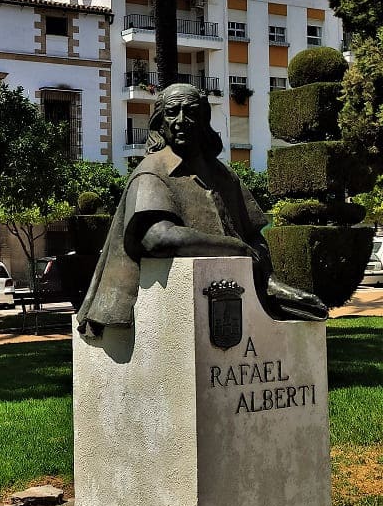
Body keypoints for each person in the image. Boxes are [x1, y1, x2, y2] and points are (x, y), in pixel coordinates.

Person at [77, 83, 327, 336]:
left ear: (204, 118)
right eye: (172, 112)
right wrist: (236, 248)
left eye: (191, 112)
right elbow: (157, 237)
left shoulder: (224, 175)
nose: (181, 121)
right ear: (160, 122)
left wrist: (269, 281)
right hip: (162, 311)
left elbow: (253, 235)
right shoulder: (152, 171)